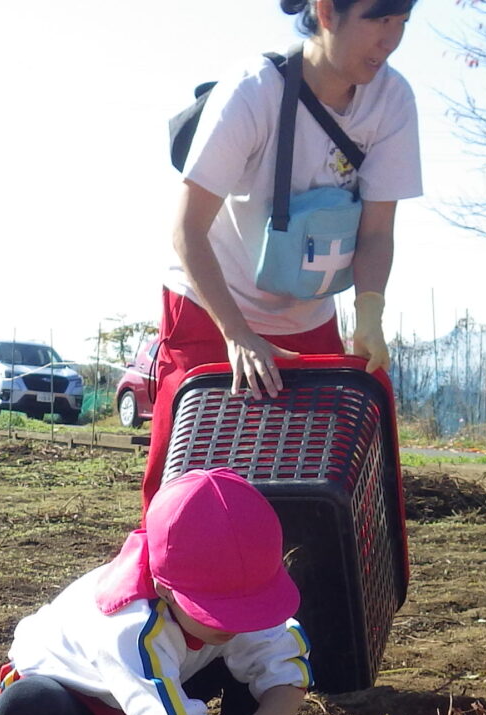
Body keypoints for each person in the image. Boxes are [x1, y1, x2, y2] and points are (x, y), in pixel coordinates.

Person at [150, 0, 423, 497]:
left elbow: (376, 231)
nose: (391, 40)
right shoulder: (255, 89)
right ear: (327, 11)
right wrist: (237, 333)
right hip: (212, 304)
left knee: (310, 482)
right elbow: (187, 228)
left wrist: (369, 314)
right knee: (191, 488)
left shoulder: (392, 99)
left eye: (402, 22)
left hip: (306, 313)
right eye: (379, 19)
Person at [0, 468, 310, 715]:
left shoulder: (236, 581)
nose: (236, 621)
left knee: (249, 662)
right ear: (164, 590)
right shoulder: (130, 624)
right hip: (83, 702)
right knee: (26, 708)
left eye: (251, 606)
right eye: (216, 611)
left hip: (167, 678)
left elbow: (287, 669)